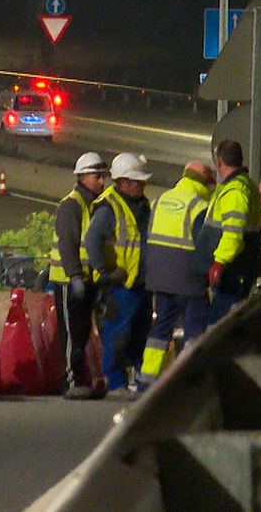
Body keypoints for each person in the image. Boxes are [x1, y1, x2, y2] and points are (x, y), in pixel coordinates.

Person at [136, 161, 214, 393]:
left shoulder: (160, 200)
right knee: (195, 331)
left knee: (160, 329)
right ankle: (191, 383)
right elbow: (204, 246)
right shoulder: (199, 206)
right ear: (204, 182)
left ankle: (146, 382)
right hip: (189, 280)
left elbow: (147, 238)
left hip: (160, 279)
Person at [82, 152, 153, 401]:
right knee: (118, 334)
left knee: (140, 334)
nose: (141, 185)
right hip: (121, 285)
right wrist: (107, 272)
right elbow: (91, 241)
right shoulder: (109, 207)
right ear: (122, 181)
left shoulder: (142, 204)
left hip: (141, 283)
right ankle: (116, 383)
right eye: (136, 181)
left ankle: (140, 381)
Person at [47, 152, 109, 400]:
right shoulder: (71, 205)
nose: (102, 182)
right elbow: (67, 245)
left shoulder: (92, 204)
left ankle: (79, 378)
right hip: (68, 280)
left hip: (85, 280)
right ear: (83, 177)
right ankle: (71, 381)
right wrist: (74, 276)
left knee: (81, 333)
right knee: (71, 333)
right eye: (97, 177)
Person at [196, 140, 261, 325]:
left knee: (219, 326)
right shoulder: (243, 185)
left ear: (218, 162)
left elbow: (233, 235)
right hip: (238, 269)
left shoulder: (235, 190)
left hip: (232, 272)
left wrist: (219, 263)